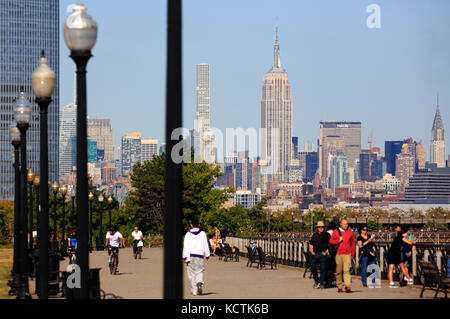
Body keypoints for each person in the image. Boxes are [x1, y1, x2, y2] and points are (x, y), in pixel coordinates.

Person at [183, 220, 210, 296]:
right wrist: (207, 255)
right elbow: (205, 245)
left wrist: (185, 257)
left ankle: (194, 291)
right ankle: (199, 282)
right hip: (200, 255)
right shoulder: (203, 234)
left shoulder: (188, 234)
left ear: (191, 225)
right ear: (199, 224)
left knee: (191, 274)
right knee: (200, 271)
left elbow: (185, 246)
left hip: (190, 255)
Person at [329, 218, 355, 293]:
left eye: (346, 224)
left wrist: (352, 254)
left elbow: (352, 244)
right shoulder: (336, 231)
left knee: (346, 270)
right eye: (344, 224)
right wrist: (338, 240)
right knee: (338, 271)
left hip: (347, 254)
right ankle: (339, 286)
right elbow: (331, 241)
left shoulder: (350, 232)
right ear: (340, 224)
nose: (345, 225)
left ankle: (347, 286)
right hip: (338, 254)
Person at [309, 221, 330, 289]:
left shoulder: (327, 235)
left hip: (323, 254)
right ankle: (316, 281)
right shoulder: (314, 235)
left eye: (322, 227)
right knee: (312, 267)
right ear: (317, 228)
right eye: (319, 227)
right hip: (315, 254)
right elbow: (311, 244)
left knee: (323, 269)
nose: (321, 228)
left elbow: (331, 244)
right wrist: (312, 251)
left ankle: (321, 283)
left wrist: (326, 252)